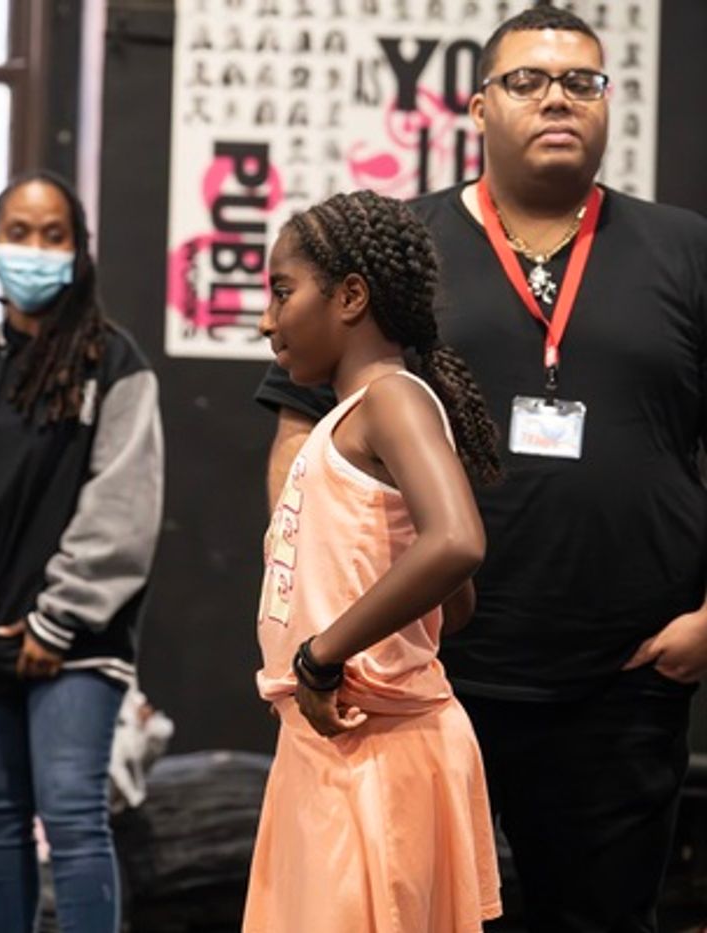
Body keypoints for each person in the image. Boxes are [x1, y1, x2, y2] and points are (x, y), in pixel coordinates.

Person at [255, 8, 707, 930]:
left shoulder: (687, 251)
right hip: (429, 681)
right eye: (529, 80)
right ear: (477, 106)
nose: (558, 99)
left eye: (583, 81)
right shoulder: (400, 249)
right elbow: (301, 440)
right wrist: (324, 613)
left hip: (625, 679)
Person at [0, 171, 164, 933]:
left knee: (75, 815)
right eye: (18, 231)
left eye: (53, 234)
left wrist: (57, 620)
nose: (34, 248)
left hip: (74, 643)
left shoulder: (114, 365)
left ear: (79, 252)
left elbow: (124, 510)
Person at [243, 190, 502, 932]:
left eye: (282, 292)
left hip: (375, 754)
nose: (268, 319)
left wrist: (324, 657)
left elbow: (458, 542)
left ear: (351, 295)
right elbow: (456, 601)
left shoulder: (391, 400)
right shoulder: (349, 419)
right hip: (330, 746)